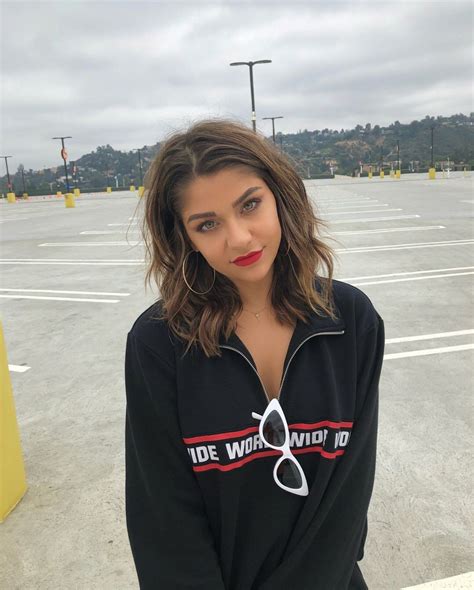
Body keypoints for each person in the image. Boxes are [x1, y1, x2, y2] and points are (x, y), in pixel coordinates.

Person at [124, 118, 385, 589]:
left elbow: (349, 493)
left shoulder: (350, 319)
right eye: (208, 224)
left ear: (280, 196)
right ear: (184, 238)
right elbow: (163, 521)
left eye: (249, 205)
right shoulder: (158, 343)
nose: (240, 237)